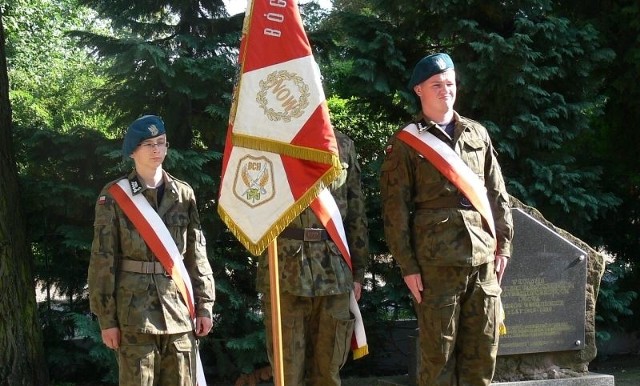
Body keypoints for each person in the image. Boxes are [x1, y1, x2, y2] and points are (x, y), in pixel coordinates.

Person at [380, 53, 513, 385]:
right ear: (419, 90)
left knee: (483, 350)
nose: (445, 90)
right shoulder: (407, 143)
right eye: (436, 85)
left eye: (450, 84)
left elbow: (497, 193)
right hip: (435, 264)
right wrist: (407, 265)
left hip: (483, 258)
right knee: (437, 355)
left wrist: (504, 246)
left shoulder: (477, 134)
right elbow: (395, 209)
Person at [87, 115, 215, 385]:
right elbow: (102, 259)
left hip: (179, 310)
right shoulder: (115, 196)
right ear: (133, 151)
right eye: (148, 144)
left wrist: (204, 306)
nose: (157, 149)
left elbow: (196, 254)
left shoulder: (183, 194)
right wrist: (107, 319)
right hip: (134, 313)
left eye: (161, 143)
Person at [256, 130, 370, 386]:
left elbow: (356, 212)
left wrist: (359, 271)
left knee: (328, 371)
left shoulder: (342, 145)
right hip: (284, 269)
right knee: (287, 373)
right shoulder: (270, 141)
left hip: (334, 271)